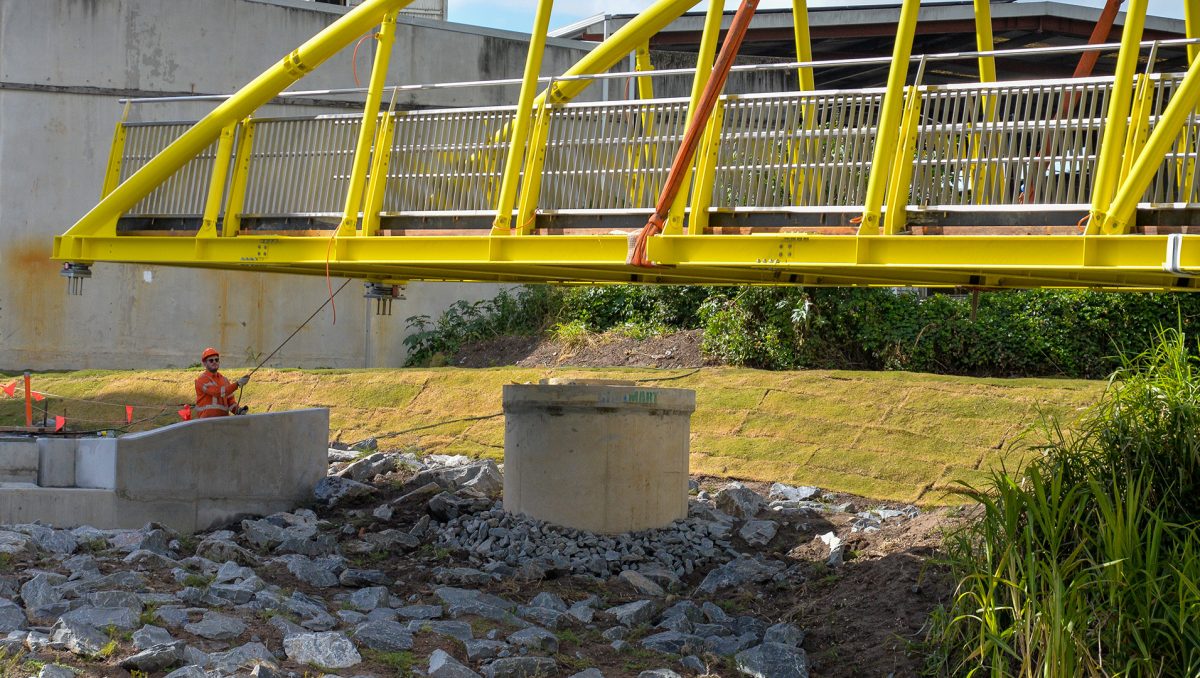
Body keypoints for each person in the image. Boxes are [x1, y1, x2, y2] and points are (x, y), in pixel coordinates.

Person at [194, 347, 249, 418]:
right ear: (204, 363)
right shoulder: (201, 380)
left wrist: (239, 410)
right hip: (206, 422)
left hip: (222, 421)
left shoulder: (224, 380)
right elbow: (217, 392)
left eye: (216, 360)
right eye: (211, 360)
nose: (214, 362)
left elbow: (230, 402)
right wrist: (237, 384)